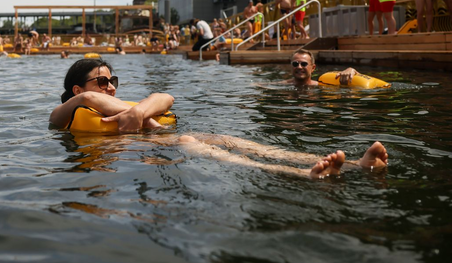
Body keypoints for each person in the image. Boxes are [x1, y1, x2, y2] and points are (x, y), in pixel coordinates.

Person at [50, 58, 388, 179]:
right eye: (102, 81)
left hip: (152, 143)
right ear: (78, 87)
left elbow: (166, 97)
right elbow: (86, 99)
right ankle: (300, 173)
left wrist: (138, 111)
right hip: (142, 153)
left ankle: (355, 164)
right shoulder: (65, 114)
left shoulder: (126, 106)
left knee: (227, 139)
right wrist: (138, 113)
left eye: (113, 80)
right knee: (188, 140)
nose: (110, 87)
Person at [285, 49, 357, 87]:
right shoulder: (282, 85)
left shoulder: (321, 85)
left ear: (313, 68)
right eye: (295, 64)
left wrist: (351, 70)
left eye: (304, 64)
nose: (299, 67)